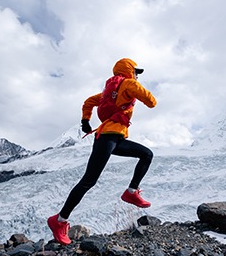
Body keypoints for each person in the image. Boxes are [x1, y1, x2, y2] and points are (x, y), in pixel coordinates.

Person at [47, 58, 157, 245]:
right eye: (136, 72)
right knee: (88, 181)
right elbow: (152, 102)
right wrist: (135, 86)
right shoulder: (129, 84)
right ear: (129, 71)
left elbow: (89, 101)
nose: (137, 76)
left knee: (147, 154)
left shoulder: (109, 92)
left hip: (115, 139)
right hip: (107, 139)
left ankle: (131, 192)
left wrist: (85, 121)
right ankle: (59, 220)